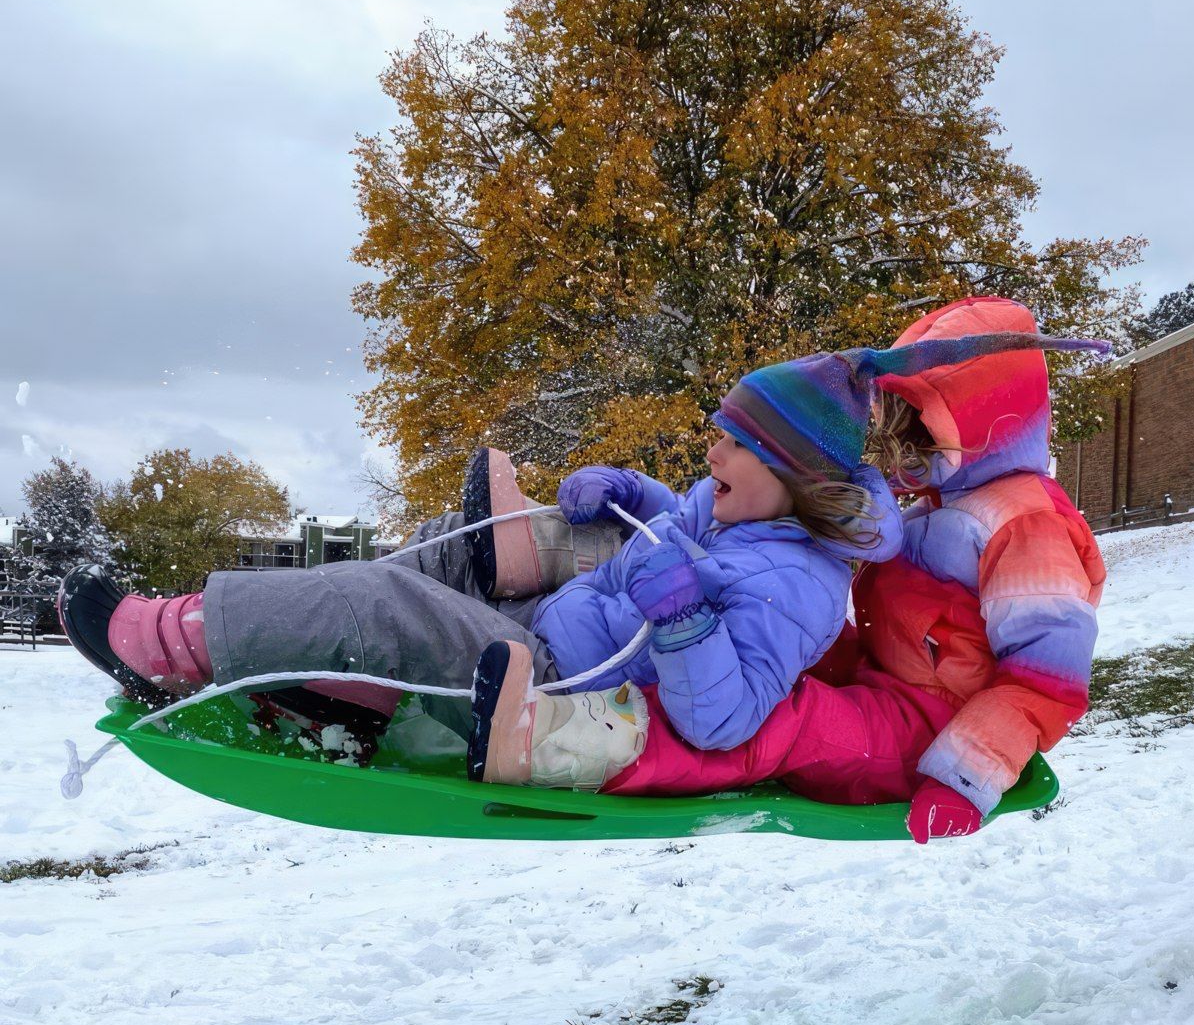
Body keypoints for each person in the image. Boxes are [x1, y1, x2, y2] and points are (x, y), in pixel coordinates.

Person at [56, 351, 902, 764]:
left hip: (560, 687)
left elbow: (724, 720)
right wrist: (632, 495)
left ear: (792, 472)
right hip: (551, 626)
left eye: (733, 442)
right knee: (426, 558)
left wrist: (681, 618)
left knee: (391, 608)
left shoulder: (802, 586)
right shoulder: (741, 516)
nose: (710, 452)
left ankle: (174, 642)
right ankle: (338, 684)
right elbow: (676, 524)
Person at [468, 298, 1108, 843]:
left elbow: (1045, 680)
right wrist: (638, 501)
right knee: (751, 612)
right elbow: (751, 531)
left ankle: (575, 743)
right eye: (901, 426)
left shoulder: (1025, 525)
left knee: (781, 719)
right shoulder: (937, 503)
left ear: (987, 424)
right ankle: (544, 551)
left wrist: (967, 776)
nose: (905, 451)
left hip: (928, 725)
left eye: (925, 431)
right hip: (873, 671)